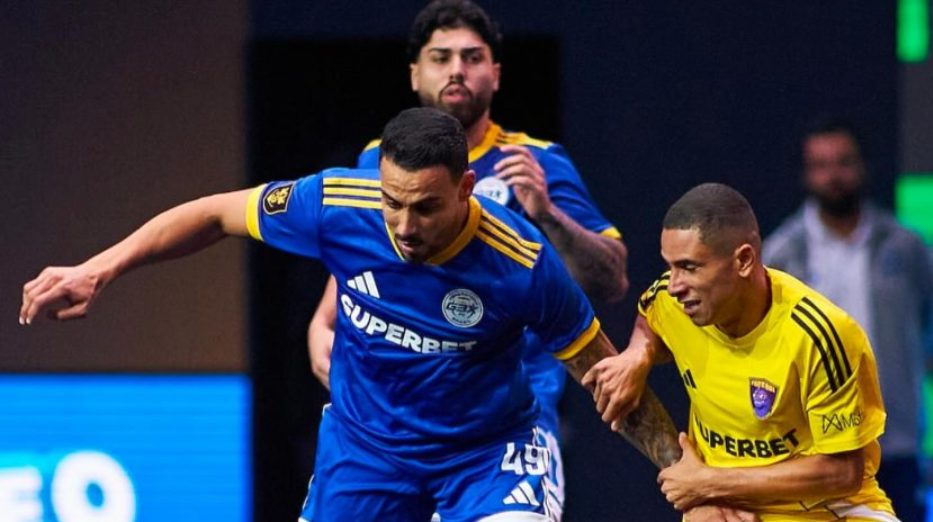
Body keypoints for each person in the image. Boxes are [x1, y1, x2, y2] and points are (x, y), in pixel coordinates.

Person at [20, 108, 680, 521]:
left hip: (488, 454)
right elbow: (214, 214)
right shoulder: (338, 204)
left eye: (425, 207)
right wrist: (98, 268)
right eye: (393, 202)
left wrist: (688, 476)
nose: (404, 226)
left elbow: (608, 381)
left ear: (465, 189)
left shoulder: (522, 264)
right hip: (368, 450)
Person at [308, 1, 629, 514]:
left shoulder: (535, 160)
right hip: (395, 429)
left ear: (495, 75)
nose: (456, 69)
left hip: (501, 428)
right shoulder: (377, 159)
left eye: (472, 57)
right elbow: (363, 265)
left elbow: (611, 278)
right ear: (415, 73)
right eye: (441, 57)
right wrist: (321, 324)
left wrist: (547, 214)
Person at [584, 183, 898, 520]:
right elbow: (650, 318)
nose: (674, 285)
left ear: (744, 261)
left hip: (827, 508)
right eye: (670, 266)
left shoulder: (821, 336)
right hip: (725, 506)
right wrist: (638, 354)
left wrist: (709, 485)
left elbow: (843, 473)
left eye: (689, 267)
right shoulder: (672, 301)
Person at [762, 119, 933, 521]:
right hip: (811, 449)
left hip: (895, 442)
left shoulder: (905, 247)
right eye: (821, 166)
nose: (833, 176)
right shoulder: (780, 255)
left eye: (843, 162)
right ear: (806, 175)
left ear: (862, 166)